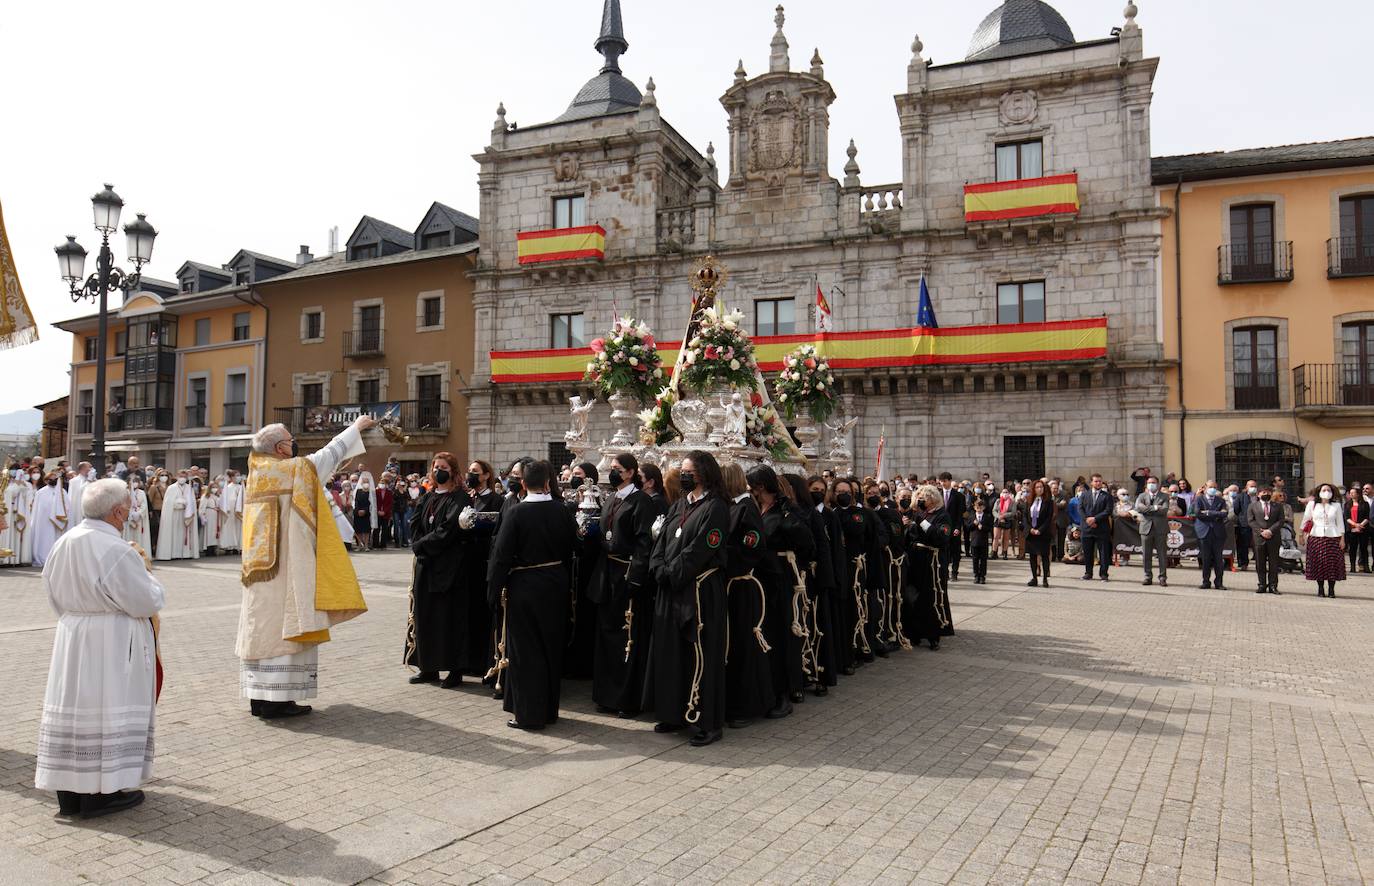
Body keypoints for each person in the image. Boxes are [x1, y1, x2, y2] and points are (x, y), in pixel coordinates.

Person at [35, 479, 165, 819]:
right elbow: (145, 600)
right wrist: (149, 574)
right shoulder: (117, 550)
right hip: (112, 638)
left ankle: (70, 794)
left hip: (73, 634)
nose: (129, 514)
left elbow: (51, 592)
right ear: (118, 511)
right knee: (108, 706)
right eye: (127, 508)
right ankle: (101, 794)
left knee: (75, 710)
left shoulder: (64, 543)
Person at [237, 417, 373, 719]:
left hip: (259, 571)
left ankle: (258, 699)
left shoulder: (257, 471)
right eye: (290, 439)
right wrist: (356, 428)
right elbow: (327, 456)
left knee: (261, 627)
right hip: (285, 568)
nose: (293, 443)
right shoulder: (291, 471)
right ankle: (278, 702)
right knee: (287, 625)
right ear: (280, 448)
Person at [646, 451, 731, 747]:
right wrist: (657, 567)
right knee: (671, 653)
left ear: (704, 473)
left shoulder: (716, 507)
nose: (683, 475)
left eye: (688, 471)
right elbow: (662, 540)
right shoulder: (681, 504)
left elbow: (702, 547)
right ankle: (673, 713)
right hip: (671, 588)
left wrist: (673, 572)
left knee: (701, 655)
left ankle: (707, 721)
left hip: (699, 590)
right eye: (681, 471)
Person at [486, 460, 577, 730]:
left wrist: (492, 591)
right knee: (550, 648)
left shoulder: (517, 513)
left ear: (524, 484)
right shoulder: (562, 511)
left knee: (526, 652)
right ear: (548, 483)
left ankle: (528, 715)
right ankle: (549, 710)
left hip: (525, 585)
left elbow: (500, 556)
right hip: (556, 583)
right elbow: (573, 546)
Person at [589, 454, 656, 719]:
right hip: (608, 572)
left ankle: (627, 699)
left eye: (617, 469)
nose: (612, 472)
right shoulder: (612, 498)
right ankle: (605, 694)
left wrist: (636, 577)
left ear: (630, 473)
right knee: (606, 633)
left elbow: (643, 543)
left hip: (627, 572)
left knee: (626, 637)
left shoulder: (641, 502)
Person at [405, 453, 473, 688]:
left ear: (453, 471)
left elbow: (448, 529)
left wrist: (421, 545)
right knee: (425, 617)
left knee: (449, 619)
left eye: (443, 467)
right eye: (435, 467)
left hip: (449, 567)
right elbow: (414, 523)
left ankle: (455, 670)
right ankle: (428, 667)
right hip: (426, 564)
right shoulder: (428, 497)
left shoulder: (460, 498)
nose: (438, 471)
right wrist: (418, 544)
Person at [721, 463, 772, 728]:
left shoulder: (746, 508)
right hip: (729, 585)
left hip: (741, 585)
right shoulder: (732, 506)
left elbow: (751, 547)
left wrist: (723, 560)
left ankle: (746, 705)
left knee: (743, 645)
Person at [902, 485, 952, 650]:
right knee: (912, 595)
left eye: (925, 497)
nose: (922, 500)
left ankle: (933, 635)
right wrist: (908, 526)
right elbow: (911, 536)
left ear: (934, 499)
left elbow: (940, 537)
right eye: (920, 497)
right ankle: (915, 633)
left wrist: (920, 522)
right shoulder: (918, 514)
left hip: (933, 561)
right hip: (916, 558)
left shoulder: (942, 515)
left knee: (931, 597)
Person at [1303, 483, 1346, 597]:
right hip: (1316, 536)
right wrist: (1302, 535)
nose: (1326, 491)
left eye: (1328, 490)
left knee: (1332, 563)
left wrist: (1342, 539)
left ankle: (1331, 589)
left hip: (1333, 537)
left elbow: (1340, 523)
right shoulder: (1312, 504)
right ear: (1319, 492)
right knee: (1319, 563)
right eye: (1324, 489)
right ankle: (1320, 588)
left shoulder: (1336, 505)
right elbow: (1306, 519)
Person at [1246, 487, 1284, 595]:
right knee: (1260, 562)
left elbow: (1281, 521)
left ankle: (1273, 586)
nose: (1266, 494)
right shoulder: (1252, 506)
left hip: (1274, 537)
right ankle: (1262, 585)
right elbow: (1250, 521)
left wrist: (1270, 531)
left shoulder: (1278, 506)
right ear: (1258, 494)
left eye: (1268, 492)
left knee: (1274, 563)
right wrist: (1260, 531)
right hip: (1259, 538)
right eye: (1263, 492)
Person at [154, 472, 199, 561]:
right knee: (174, 533)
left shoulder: (189, 488)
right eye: (180, 476)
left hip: (185, 514)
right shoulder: (171, 488)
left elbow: (192, 502)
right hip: (174, 514)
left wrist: (187, 504)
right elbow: (167, 503)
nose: (182, 478)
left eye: (184, 476)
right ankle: (173, 553)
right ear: (177, 477)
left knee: (183, 534)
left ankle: (186, 553)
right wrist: (177, 502)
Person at [1192, 481, 1228, 590]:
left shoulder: (1221, 500)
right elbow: (1198, 513)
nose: (1213, 489)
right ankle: (1205, 581)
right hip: (1203, 532)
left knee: (1218, 559)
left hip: (1218, 533)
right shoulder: (1199, 499)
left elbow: (1224, 513)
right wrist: (1216, 513)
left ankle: (1219, 583)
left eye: (1215, 487)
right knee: (1206, 558)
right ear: (1205, 487)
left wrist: (1208, 512)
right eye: (1210, 487)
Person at [1135, 477, 1170, 587]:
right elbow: (1139, 508)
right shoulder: (1141, 496)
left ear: (1158, 484)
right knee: (1146, 554)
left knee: (1162, 554)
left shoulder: (1164, 496)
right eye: (1149, 483)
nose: (1151, 484)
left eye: (1153, 483)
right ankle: (1147, 576)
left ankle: (1162, 577)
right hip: (1146, 528)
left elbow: (1164, 510)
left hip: (1160, 528)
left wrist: (1147, 509)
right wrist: (1155, 507)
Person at [1078, 474, 1112, 581]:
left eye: (1100, 481)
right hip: (1087, 528)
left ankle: (1104, 574)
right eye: (1096, 481)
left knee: (1103, 553)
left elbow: (1108, 510)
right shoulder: (1084, 495)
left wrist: (1095, 519)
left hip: (1101, 527)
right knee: (1088, 552)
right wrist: (1088, 520)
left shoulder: (1107, 496)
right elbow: (1080, 509)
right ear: (1091, 483)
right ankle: (1088, 573)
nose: (1098, 483)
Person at [1024, 479, 1055, 588]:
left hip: (1043, 533)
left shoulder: (1048, 502)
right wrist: (1030, 529)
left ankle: (1045, 578)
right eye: (1037, 487)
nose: (1039, 489)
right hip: (1031, 533)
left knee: (1044, 556)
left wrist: (1040, 530)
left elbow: (1048, 518)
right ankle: (1034, 578)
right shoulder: (1029, 501)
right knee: (1032, 556)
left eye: (1041, 487)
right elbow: (1025, 517)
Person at [2, 468, 35, 566]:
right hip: (6, 513)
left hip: (17, 513)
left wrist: (21, 485)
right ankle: (5, 559)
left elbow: (27, 496)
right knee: (6, 534)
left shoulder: (24, 484)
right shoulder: (5, 483)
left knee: (16, 536)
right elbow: (9, 493)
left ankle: (15, 559)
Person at [937, 472, 964, 581]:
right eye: (941, 481)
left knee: (955, 551)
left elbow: (959, 514)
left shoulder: (958, 496)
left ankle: (954, 572)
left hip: (954, 528)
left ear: (949, 481)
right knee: (944, 551)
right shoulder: (937, 495)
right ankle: (945, 572)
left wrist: (958, 527)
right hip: (942, 528)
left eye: (945, 481)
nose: (943, 483)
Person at [966, 494, 992, 584]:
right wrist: (973, 524)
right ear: (974, 507)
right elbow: (967, 528)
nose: (979, 509)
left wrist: (983, 527)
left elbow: (989, 528)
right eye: (977, 507)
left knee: (983, 560)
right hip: (974, 541)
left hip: (983, 541)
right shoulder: (971, 516)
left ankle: (982, 576)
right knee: (975, 559)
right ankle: (976, 575)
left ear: (984, 507)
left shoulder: (987, 517)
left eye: (981, 507)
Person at [123, 476, 153, 552]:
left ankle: (140, 552)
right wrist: (130, 514)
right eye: (132, 481)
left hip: (139, 518)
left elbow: (144, 505)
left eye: (136, 481)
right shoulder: (125, 492)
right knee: (129, 536)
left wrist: (139, 513)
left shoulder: (142, 492)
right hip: (129, 518)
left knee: (139, 537)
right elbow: (124, 504)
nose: (134, 483)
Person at [1345, 485, 1370, 573]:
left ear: (1358, 494)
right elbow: (1347, 517)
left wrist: (1360, 525)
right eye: (1350, 493)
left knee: (1363, 548)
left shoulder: (1365, 504)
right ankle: (1352, 567)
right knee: (1352, 549)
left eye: (1353, 493)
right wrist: (1355, 525)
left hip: (1363, 529)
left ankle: (1366, 566)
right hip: (1351, 530)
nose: (1351, 494)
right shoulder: (1347, 504)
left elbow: (1367, 517)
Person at [352, 471, 377, 553]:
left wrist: (365, 511)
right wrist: (358, 510)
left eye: (367, 481)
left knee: (366, 530)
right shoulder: (358, 491)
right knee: (358, 530)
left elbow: (371, 504)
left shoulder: (371, 492)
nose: (365, 483)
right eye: (364, 481)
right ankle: (359, 545)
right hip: (358, 513)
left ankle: (366, 545)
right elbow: (356, 501)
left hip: (367, 513)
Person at [220, 471, 244, 554]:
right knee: (231, 528)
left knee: (239, 528)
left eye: (239, 475)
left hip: (240, 510)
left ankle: (239, 546)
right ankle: (230, 546)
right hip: (231, 510)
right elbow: (228, 500)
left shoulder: (242, 487)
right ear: (231, 477)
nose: (238, 477)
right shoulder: (228, 487)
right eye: (236, 476)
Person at [199, 480, 222, 555]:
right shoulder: (206, 496)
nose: (214, 489)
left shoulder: (217, 496)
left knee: (215, 532)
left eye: (216, 487)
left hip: (216, 516)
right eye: (213, 487)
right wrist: (203, 516)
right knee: (209, 532)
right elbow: (202, 507)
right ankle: (208, 549)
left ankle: (213, 548)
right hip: (209, 515)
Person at [992, 487, 1015, 560]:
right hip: (998, 520)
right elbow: (994, 510)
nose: (1005, 494)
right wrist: (999, 517)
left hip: (1007, 520)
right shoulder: (998, 501)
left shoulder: (1012, 502)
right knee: (996, 537)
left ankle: (1005, 553)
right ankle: (994, 553)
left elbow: (1013, 512)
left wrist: (1004, 516)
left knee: (1006, 538)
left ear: (1009, 493)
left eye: (1006, 492)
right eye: (1003, 492)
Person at [374, 474, 394, 549]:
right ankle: (375, 544)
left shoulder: (389, 492)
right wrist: (378, 511)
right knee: (377, 529)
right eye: (381, 483)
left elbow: (390, 503)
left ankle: (383, 544)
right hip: (377, 513)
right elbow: (374, 502)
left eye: (384, 483)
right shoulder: (376, 491)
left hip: (386, 513)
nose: (383, 485)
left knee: (384, 529)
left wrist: (384, 511)